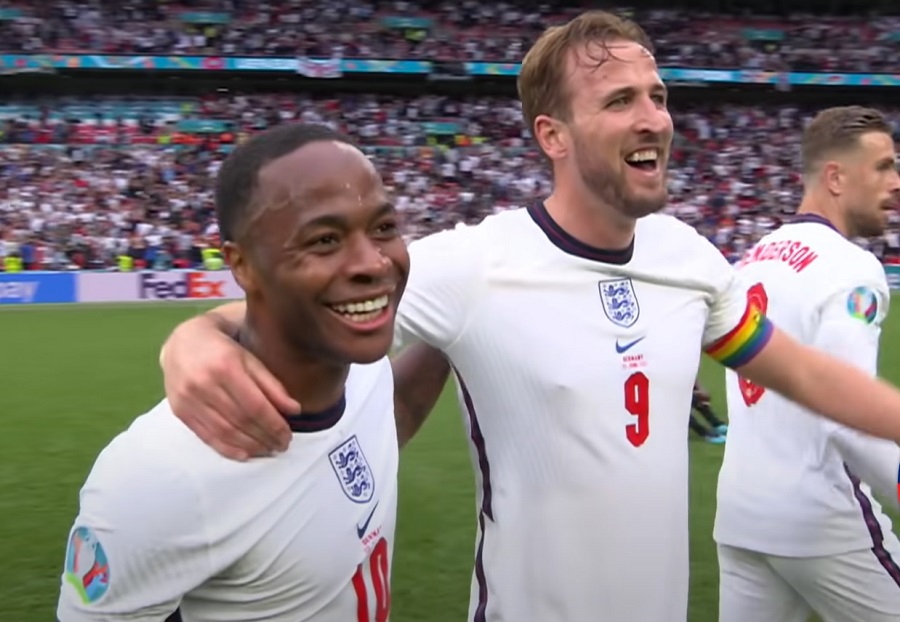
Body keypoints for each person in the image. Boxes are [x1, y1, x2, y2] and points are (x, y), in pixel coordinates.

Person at [158, 12, 900, 622]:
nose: (654, 120)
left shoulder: (691, 259)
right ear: (553, 136)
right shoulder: (476, 265)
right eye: (619, 102)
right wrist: (193, 337)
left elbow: (807, 374)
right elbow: (296, 305)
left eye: (658, 95)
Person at [57, 123, 451, 621]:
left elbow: (390, 416)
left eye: (383, 228)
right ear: (241, 265)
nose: (372, 262)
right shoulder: (157, 477)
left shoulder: (359, 368)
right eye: (325, 240)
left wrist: (457, 336)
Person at [714, 106, 900, 622]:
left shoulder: (753, 258)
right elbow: (847, 414)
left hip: (741, 517)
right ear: (836, 177)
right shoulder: (852, 268)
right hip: (820, 518)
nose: (897, 182)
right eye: (884, 166)